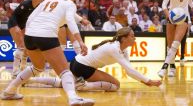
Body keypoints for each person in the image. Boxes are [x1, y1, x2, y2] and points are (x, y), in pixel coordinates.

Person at [0, 0, 95, 106]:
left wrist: (28, 35)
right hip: (46, 35)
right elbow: (70, 22)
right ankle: (73, 98)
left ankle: (9, 91)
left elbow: (31, 18)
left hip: (30, 35)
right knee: (65, 70)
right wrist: (80, 41)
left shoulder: (47, 1)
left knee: (37, 67)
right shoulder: (69, 4)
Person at [25, 27, 161, 91]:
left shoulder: (122, 49)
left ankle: (29, 80)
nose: (134, 38)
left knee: (64, 83)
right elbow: (130, 71)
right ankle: (84, 86)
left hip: (76, 63)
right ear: (124, 38)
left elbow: (129, 70)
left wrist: (145, 82)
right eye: (132, 36)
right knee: (115, 86)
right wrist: (148, 81)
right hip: (83, 67)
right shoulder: (114, 48)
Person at [7, 0, 45, 78]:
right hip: (14, 23)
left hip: (24, 25)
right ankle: (15, 71)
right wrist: (16, 27)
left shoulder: (40, 6)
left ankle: (22, 68)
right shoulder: (26, 4)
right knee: (20, 46)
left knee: (26, 48)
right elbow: (14, 15)